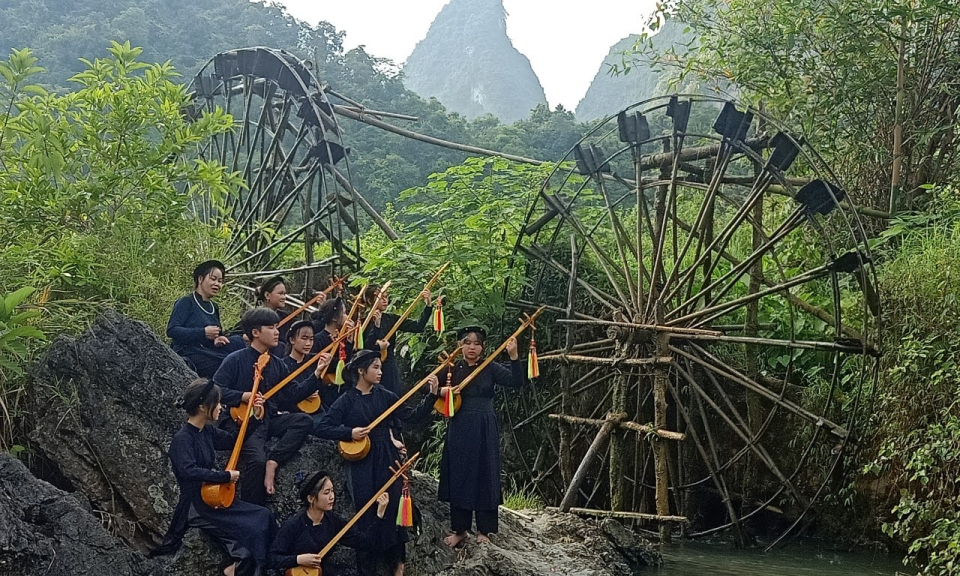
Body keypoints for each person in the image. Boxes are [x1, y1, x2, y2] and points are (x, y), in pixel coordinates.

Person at [315, 350, 435, 576]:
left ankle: (398, 562)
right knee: (365, 511)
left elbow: (413, 416)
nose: (380, 372)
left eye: (380, 367)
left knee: (394, 505)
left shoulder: (386, 395)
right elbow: (322, 427)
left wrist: (431, 395)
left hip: (387, 456)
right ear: (361, 371)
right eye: (375, 368)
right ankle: (366, 569)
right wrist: (350, 432)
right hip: (360, 460)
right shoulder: (347, 400)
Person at [151, 378, 273, 576]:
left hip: (213, 499)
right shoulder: (182, 439)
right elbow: (188, 471)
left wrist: (255, 418)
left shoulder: (206, 431)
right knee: (247, 543)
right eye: (216, 403)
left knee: (263, 516)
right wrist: (224, 476)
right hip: (196, 506)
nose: (221, 407)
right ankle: (232, 570)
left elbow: (234, 440)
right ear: (202, 407)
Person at [214, 307, 331, 506]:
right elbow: (215, 389)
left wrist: (317, 373)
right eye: (271, 327)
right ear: (255, 332)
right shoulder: (236, 359)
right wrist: (244, 396)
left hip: (267, 419)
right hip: (243, 423)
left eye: (277, 327)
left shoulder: (278, 364)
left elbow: (293, 394)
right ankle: (251, 508)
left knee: (303, 420)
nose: (277, 332)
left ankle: (274, 460)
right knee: (256, 460)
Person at [434, 326, 525, 547]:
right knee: (459, 474)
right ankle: (460, 529)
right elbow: (431, 389)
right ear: (460, 346)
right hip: (459, 426)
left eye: (476, 343)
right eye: (467, 342)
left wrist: (513, 356)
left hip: (484, 426)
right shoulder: (452, 369)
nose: (471, 347)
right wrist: (441, 391)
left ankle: (484, 529)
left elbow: (516, 381)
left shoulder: (490, 367)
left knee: (485, 474)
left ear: (483, 347)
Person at [269, 471, 390, 574]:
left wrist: (379, 515)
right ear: (311, 498)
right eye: (326, 493)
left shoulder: (333, 521)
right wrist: (298, 559)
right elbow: (272, 558)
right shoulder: (294, 524)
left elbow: (364, 542)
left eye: (332, 491)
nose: (332, 496)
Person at [167, 260, 245, 378]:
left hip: (209, 350)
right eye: (213, 279)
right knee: (227, 364)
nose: (217, 284)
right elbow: (172, 330)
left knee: (238, 342)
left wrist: (218, 339)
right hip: (189, 352)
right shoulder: (186, 302)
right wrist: (203, 332)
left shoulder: (214, 307)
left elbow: (214, 336)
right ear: (200, 279)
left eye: (220, 281)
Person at [361, 286, 433, 397]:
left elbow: (417, 327)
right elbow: (363, 347)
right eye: (381, 298)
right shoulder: (362, 322)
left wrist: (428, 306)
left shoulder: (391, 319)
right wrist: (377, 327)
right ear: (370, 301)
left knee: (392, 397)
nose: (385, 300)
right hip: (369, 368)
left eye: (386, 297)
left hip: (389, 366)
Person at [311, 297, 356, 409]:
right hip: (326, 393)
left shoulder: (345, 338)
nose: (347, 317)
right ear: (335, 317)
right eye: (344, 313)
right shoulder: (318, 340)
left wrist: (350, 342)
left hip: (345, 389)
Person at [255, 275, 289, 356]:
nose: (284, 297)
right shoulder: (255, 317)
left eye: (284, 294)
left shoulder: (287, 317)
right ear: (267, 295)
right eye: (280, 293)